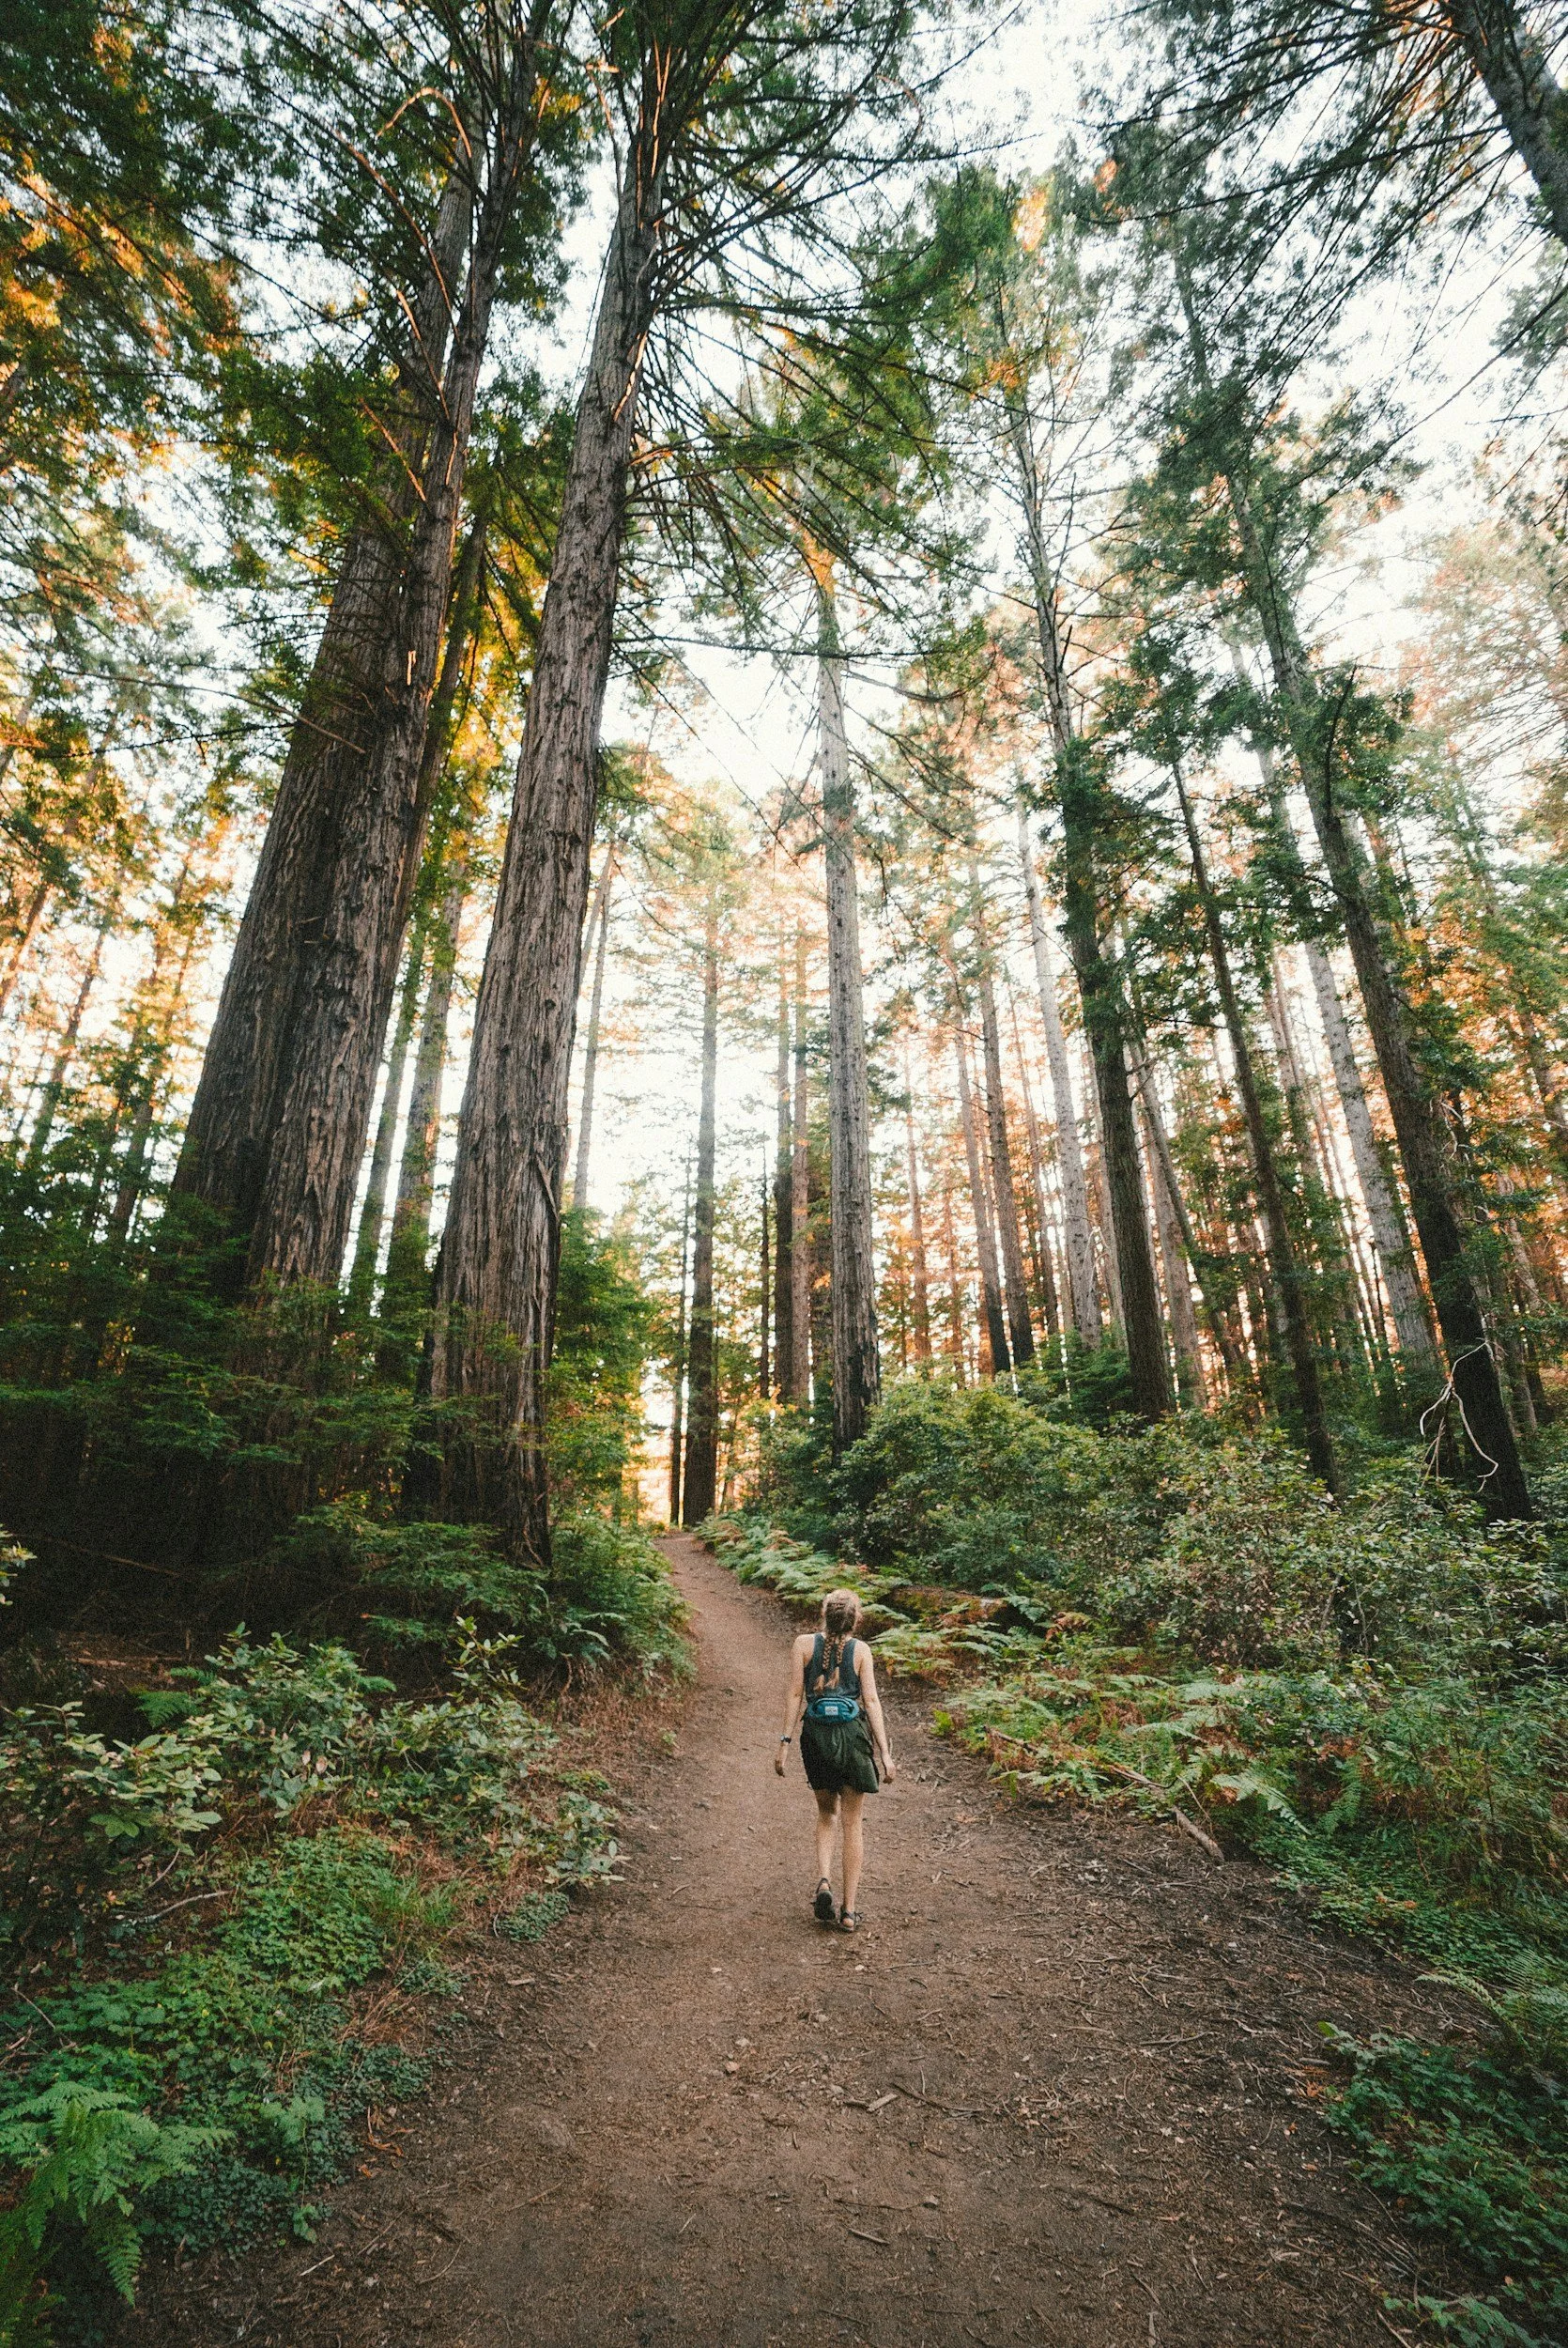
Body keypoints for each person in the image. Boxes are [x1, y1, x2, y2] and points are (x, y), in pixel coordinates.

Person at [775, 1587, 895, 1933]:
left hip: (816, 1738)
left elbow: (796, 1695)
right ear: (856, 1619)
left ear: (824, 1614)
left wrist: (784, 1742)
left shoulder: (802, 1645)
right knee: (852, 1824)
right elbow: (870, 1702)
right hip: (852, 1739)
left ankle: (824, 1880)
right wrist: (885, 1754)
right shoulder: (861, 1651)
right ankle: (848, 1911)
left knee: (827, 1813)